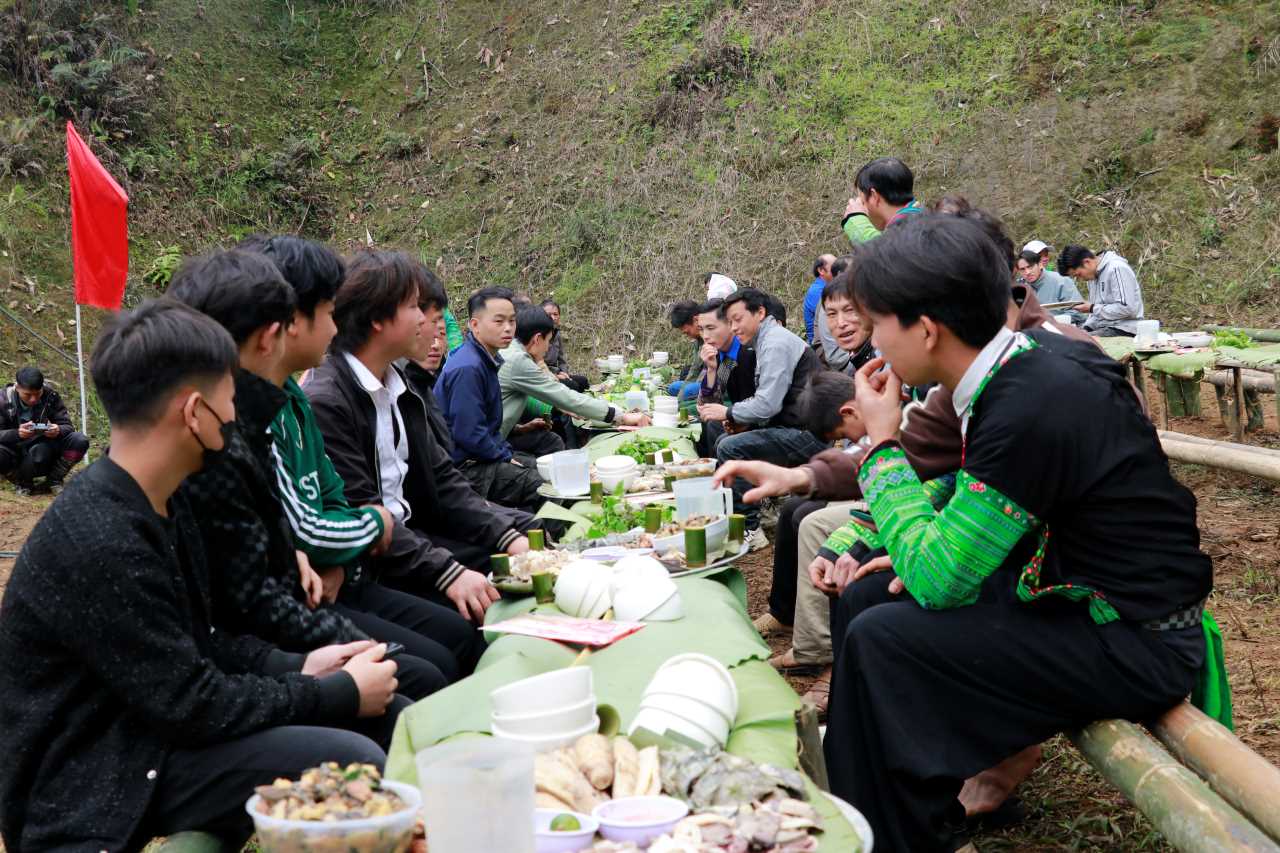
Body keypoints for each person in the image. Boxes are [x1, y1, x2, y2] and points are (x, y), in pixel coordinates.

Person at [721, 214, 1216, 852]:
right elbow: (963, 496)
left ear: (926, 330)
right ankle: (901, 813)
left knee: (884, 639)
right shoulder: (1014, 370)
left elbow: (939, 579)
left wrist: (881, 446)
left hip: (1134, 636)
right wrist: (874, 543)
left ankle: (889, 828)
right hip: (1067, 593)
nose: (871, 340)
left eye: (876, 323)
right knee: (869, 595)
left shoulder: (1030, 401)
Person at [0, 299, 402, 852]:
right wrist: (327, 693)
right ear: (194, 413)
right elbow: (190, 703)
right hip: (91, 773)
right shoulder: (102, 536)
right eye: (230, 400)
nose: (235, 419)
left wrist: (301, 666)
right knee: (350, 756)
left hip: (146, 728)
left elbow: (199, 642)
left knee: (379, 719)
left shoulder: (162, 499)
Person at [239, 235, 485, 695]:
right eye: (327, 311)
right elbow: (307, 528)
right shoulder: (305, 401)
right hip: (323, 587)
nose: (426, 322)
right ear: (285, 324)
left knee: (458, 633)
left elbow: (333, 494)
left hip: (348, 568)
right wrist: (373, 526)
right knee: (431, 666)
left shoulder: (296, 399)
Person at [307, 255, 533, 627]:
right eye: (415, 307)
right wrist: (448, 573)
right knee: (466, 629)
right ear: (377, 318)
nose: (426, 322)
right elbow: (366, 512)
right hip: (379, 562)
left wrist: (508, 537)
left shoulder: (400, 385)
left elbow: (443, 480)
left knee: (528, 555)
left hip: (412, 541)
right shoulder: (329, 401)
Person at [702, 288, 822, 549]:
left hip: (808, 433)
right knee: (723, 438)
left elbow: (767, 404)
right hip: (791, 425)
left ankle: (750, 527)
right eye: (730, 321)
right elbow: (714, 397)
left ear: (760, 313)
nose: (734, 327)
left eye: (737, 319)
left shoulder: (770, 344)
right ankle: (748, 514)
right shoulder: (755, 345)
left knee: (729, 446)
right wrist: (742, 420)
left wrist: (730, 413)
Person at [435, 285, 548, 513]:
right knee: (542, 486)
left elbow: (488, 428)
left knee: (546, 470)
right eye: (499, 321)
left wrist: (506, 453)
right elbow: (469, 434)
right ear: (475, 325)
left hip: (481, 455)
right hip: (463, 467)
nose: (508, 328)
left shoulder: (485, 359)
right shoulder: (468, 367)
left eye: (512, 321)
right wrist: (503, 456)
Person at [501, 306, 650, 452]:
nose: (547, 348)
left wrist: (518, 428)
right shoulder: (518, 361)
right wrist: (621, 417)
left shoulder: (510, 351)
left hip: (500, 434)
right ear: (537, 339)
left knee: (550, 440)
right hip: (493, 446)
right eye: (548, 341)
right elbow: (563, 396)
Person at [0, 366, 89, 495]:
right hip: (15, 452)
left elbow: (67, 426)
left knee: (79, 440)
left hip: (45, 449)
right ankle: (21, 481)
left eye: (37, 394)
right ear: (17, 387)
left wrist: (58, 429)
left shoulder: (50, 396)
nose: (33, 399)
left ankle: (54, 479)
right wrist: (17, 433)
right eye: (28, 395)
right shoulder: (2, 400)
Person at [693, 297, 757, 456]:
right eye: (701, 329)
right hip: (741, 417)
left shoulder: (749, 351)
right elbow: (706, 407)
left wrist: (732, 416)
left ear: (730, 324)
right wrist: (711, 369)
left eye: (711, 328)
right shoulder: (723, 356)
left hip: (764, 421)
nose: (705, 336)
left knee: (721, 437)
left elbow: (761, 403)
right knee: (706, 424)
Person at [1058, 245, 1145, 337]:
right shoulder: (1092, 276)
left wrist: (1092, 308)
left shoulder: (1116, 268)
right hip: (1103, 327)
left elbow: (1126, 308)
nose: (1080, 279)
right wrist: (1086, 328)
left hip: (1125, 328)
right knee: (1069, 336)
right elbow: (1096, 313)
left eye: (1078, 275)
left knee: (1080, 340)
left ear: (1087, 262)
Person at [841, 156, 923, 245]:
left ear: (874, 196)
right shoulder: (922, 220)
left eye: (862, 202)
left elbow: (889, 251)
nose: (861, 207)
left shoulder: (912, 232)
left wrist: (856, 221)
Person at [541, 298, 589, 392]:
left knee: (583, 381)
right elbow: (537, 363)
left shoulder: (557, 334)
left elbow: (561, 359)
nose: (553, 318)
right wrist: (555, 376)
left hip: (556, 371)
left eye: (556, 314)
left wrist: (564, 373)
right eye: (549, 314)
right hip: (544, 374)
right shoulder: (538, 335)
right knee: (573, 386)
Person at [665, 299, 705, 402]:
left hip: (714, 382)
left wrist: (679, 401)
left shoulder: (710, 336)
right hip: (701, 379)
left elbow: (705, 372)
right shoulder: (698, 340)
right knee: (674, 387)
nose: (688, 336)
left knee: (689, 391)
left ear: (696, 320)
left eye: (687, 332)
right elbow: (694, 370)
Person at [1016, 250, 1082, 309]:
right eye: (1022, 269)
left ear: (1040, 264)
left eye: (1030, 267)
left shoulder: (1061, 281)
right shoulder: (1019, 287)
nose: (1027, 272)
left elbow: (1077, 312)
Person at [801, 255, 836, 345]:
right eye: (834, 266)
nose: (838, 268)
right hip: (821, 344)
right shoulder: (817, 291)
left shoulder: (828, 287)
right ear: (821, 270)